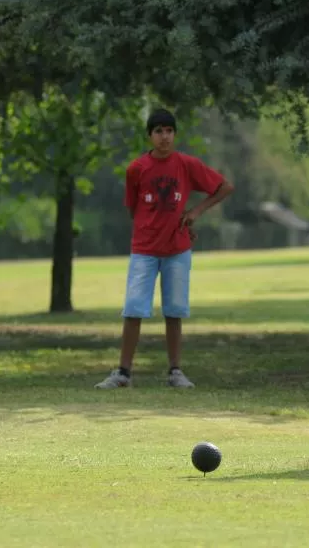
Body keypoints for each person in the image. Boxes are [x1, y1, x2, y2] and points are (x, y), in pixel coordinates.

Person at [95, 108, 235, 389]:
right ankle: (123, 372)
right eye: (158, 131)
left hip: (177, 249)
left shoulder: (186, 165)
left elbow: (224, 187)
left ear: (175, 134)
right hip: (144, 249)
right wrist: (154, 226)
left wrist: (195, 212)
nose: (164, 137)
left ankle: (175, 372)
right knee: (134, 309)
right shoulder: (137, 169)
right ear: (150, 135)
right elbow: (134, 209)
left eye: (169, 131)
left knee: (174, 310)